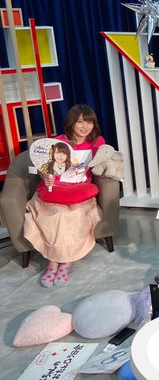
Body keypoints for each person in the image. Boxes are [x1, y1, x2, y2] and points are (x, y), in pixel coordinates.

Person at [25, 104, 106, 287]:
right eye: (80, 122)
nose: (85, 126)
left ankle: (65, 262)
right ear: (71, 122)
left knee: (72, 215)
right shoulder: (56, 142)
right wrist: (46, 177)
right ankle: (53, 263)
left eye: (89, 122)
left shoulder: (97, 142)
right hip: (53, 192)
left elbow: (103, 163)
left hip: (79, 192)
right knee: (56, 215)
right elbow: (44, 169)